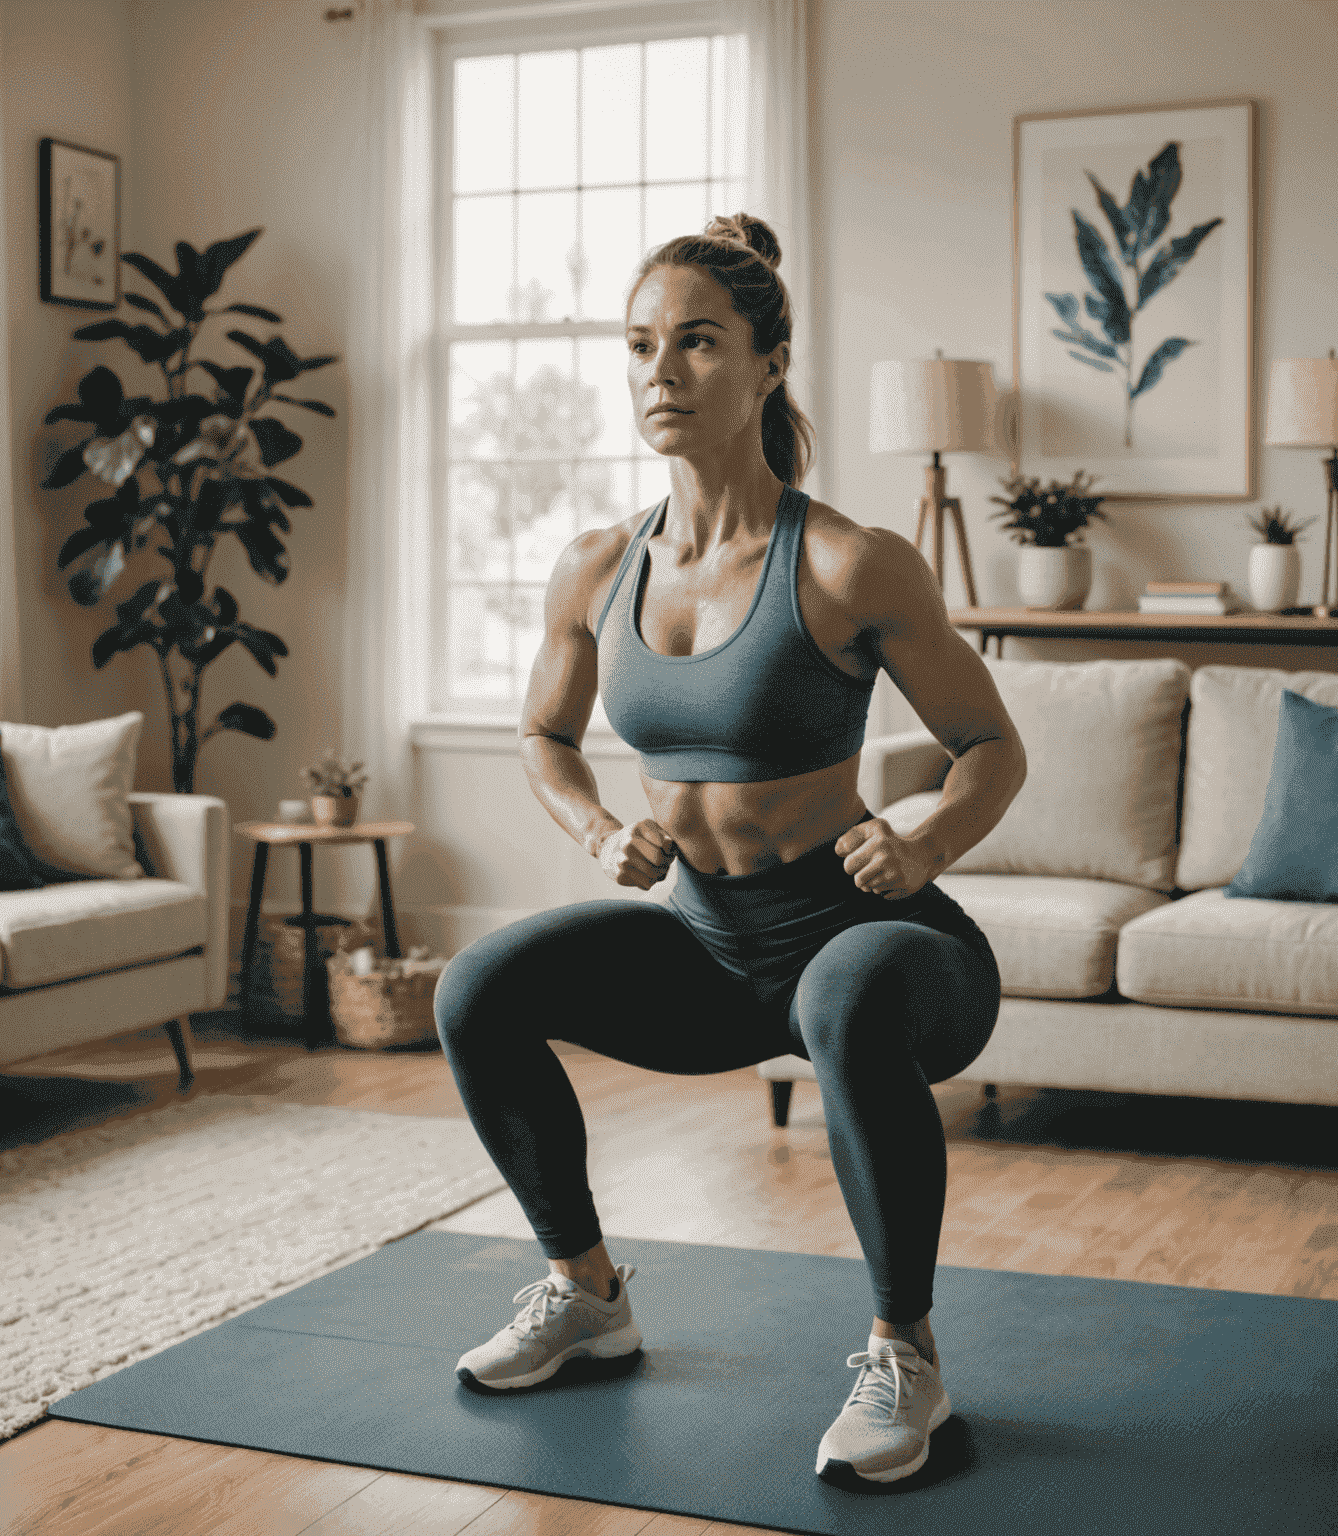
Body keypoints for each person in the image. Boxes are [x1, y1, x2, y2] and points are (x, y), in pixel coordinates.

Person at [433, 211, 1026, 1487]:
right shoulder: (598, 565)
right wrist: (597, 827)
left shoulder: (855, 563)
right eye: (641, 344)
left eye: (697, 343)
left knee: (844, 990)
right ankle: (586, 1293)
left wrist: (921, 848)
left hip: (882, 946)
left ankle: (903, 1354)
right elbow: (542, 736)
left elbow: (991, 748)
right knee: (476, 986)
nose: (661, 371)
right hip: (709, 948)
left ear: (769, 363)